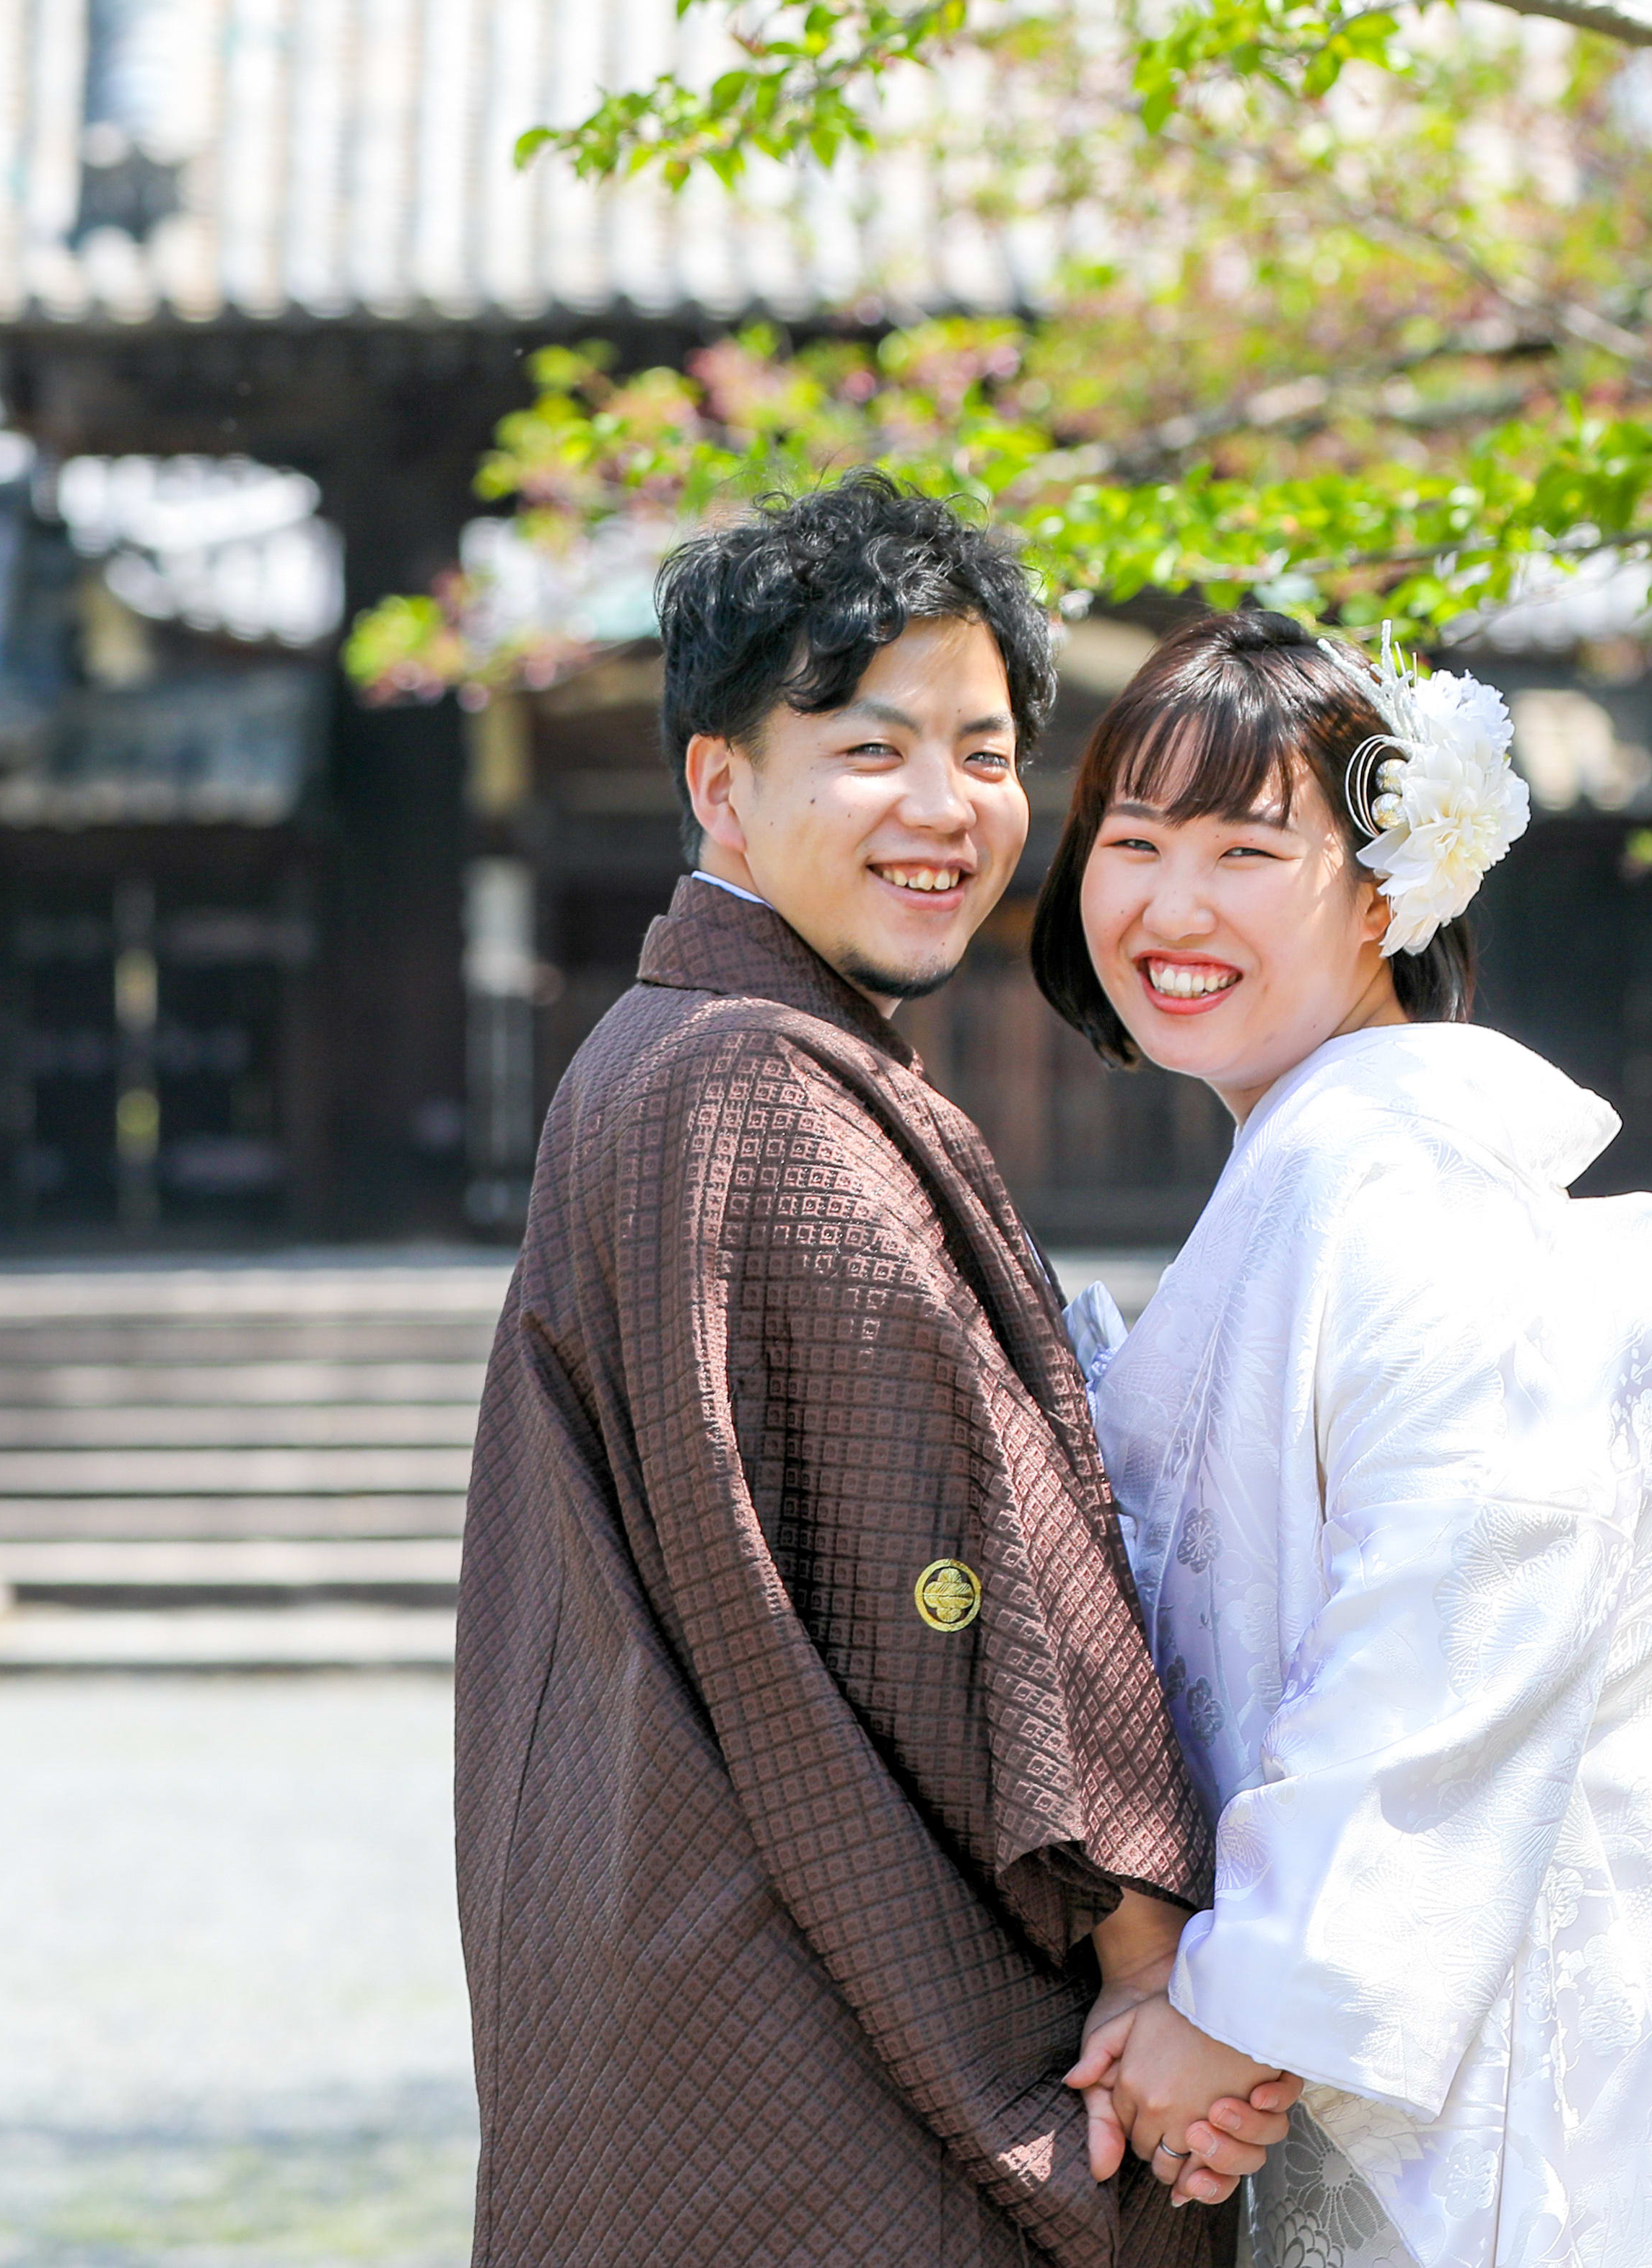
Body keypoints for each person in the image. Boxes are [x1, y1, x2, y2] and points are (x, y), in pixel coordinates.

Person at [453, 476, 1295, 2266]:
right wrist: (1150, 1955)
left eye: (985, 754)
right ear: (719, 783)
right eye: (868, 748)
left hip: (661, 1993)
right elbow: (970, 1573)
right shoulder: (761, 1090)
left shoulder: (657, 1056)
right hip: (815, 2058)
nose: (943, 809)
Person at [1043, 608, 1652, 2268]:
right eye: (1132, 842)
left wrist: (1238, 2008)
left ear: (1384, 893)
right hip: (1432, 2038)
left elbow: (1450, 1612)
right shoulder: (1331, 1171)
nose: (1170, 906)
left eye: (1244, 851)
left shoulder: (1400, 1182)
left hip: (1530, 2083)